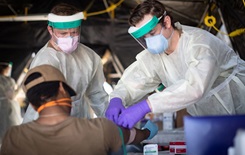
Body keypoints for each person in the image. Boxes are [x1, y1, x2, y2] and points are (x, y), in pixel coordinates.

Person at [105, 0, 245, 129]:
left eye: (152, 33)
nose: (150, 41)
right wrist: (117, 98)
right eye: (145, 38)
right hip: (211, 118)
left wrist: (145, 106)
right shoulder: (155, 56)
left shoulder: (199, 43)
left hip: (239, 103)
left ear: (166, 22)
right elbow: (133, 81)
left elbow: (195, 87)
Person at [0, 65, 158, 155]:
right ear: (62, 89)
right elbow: (137, 136)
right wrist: (148, 131)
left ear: (33, 105)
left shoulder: (13, 137)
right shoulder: (101, 129)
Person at [23, 3, 109, 123]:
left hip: (82, 120)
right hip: (50, 125)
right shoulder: (44, 61)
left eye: (74, 33)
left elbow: (97, 95)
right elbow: (41, 105)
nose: (69, 38)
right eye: (63, 34)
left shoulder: (90, 56)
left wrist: (112, 122)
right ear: (50, 30)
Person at [0, 62, 22, 145]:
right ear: (6, 69)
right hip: (7, 108)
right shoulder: (9, 80)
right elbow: (11, 96)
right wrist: (19, 89)